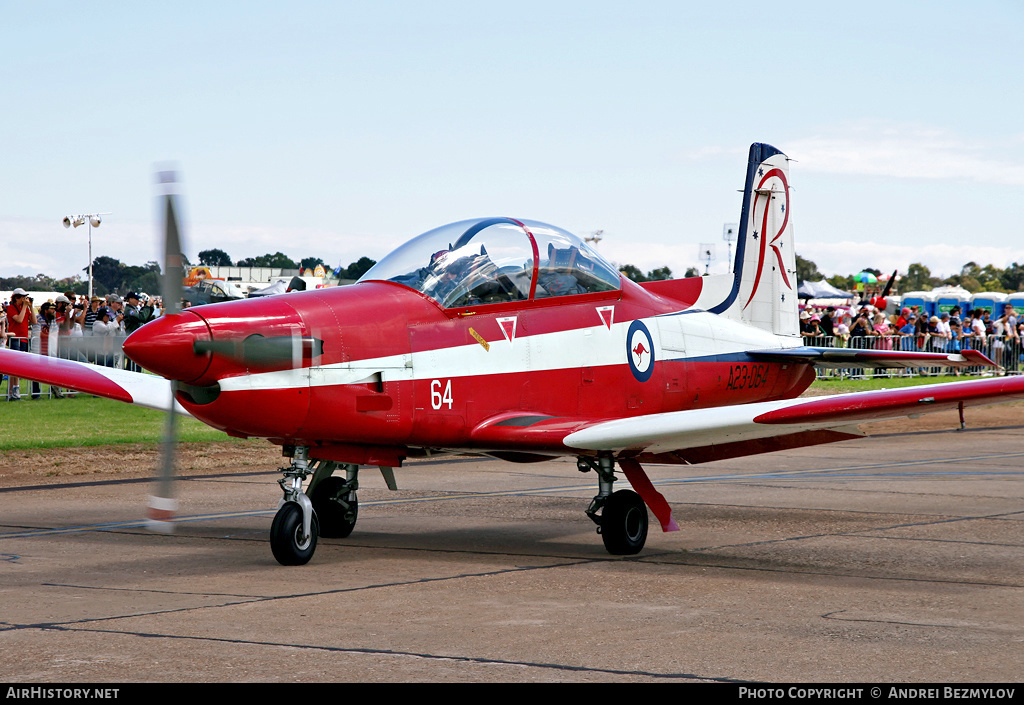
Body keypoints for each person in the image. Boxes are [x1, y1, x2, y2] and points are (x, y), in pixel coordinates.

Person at [5, 289, 41, 400]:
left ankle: (15, 390)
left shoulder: (25, 308)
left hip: (24, 339)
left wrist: (31, 306)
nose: (25, 300)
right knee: (14, 367)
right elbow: (19, 320)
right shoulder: (11, 308)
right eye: (23, 297)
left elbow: (34, 321)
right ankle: (13, 390)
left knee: (20, 367)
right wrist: (25, 307)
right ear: (17, 298)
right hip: (15, 339)